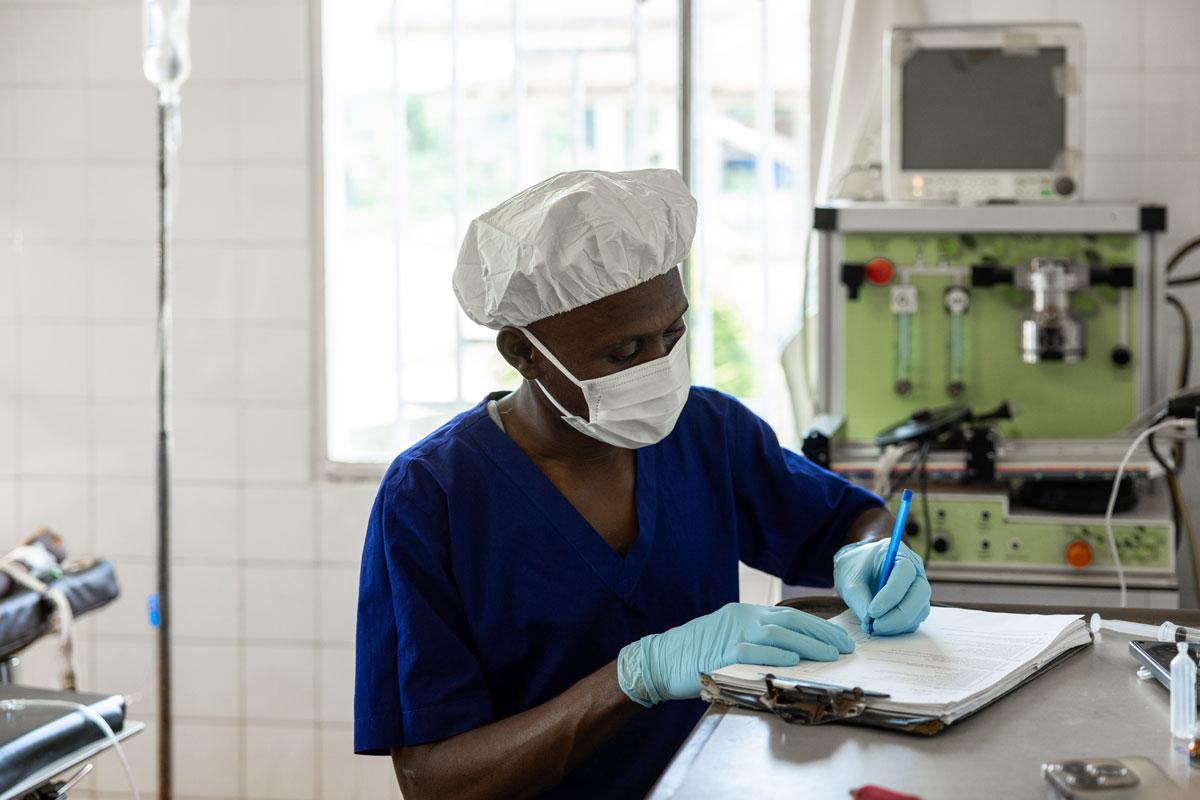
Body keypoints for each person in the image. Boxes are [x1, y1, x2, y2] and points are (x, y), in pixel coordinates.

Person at [354, 169, 931, 799]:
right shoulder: (433, 495)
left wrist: (875, 554)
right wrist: (634, 677)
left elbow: (850, 520)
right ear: (522, 352)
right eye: (624, 353)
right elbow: (434, 782)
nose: (660, 369)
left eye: (673, 334)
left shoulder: (707, 430)